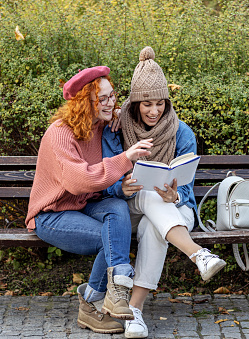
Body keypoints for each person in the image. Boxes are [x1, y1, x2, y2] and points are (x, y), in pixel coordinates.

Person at [102, 47, 227, 338]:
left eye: (160, 103)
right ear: (134, 103)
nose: (154, 110)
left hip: (176, 209)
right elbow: (105, 177)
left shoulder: (182, 132)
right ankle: (198, 255)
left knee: (152, 223)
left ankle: (134, 313)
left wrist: (177, 195)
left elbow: (185, 181)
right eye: (146, 103)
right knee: (147, 197)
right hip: (131, 204)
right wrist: (120, 187)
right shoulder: (117, 130)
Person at [25, 66, 153, 334]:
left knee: (117, 209)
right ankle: (94, 301)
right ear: (86, 103)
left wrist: (119, 115)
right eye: (103, 99)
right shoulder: (60, 133)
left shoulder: (101, 124)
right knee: (113, 237)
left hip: (84, 205)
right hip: (52, 214)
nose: (111, 103)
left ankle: (104, 297)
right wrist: (125, 158)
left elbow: (134, 111)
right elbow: (78, 181)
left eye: (112, 96)